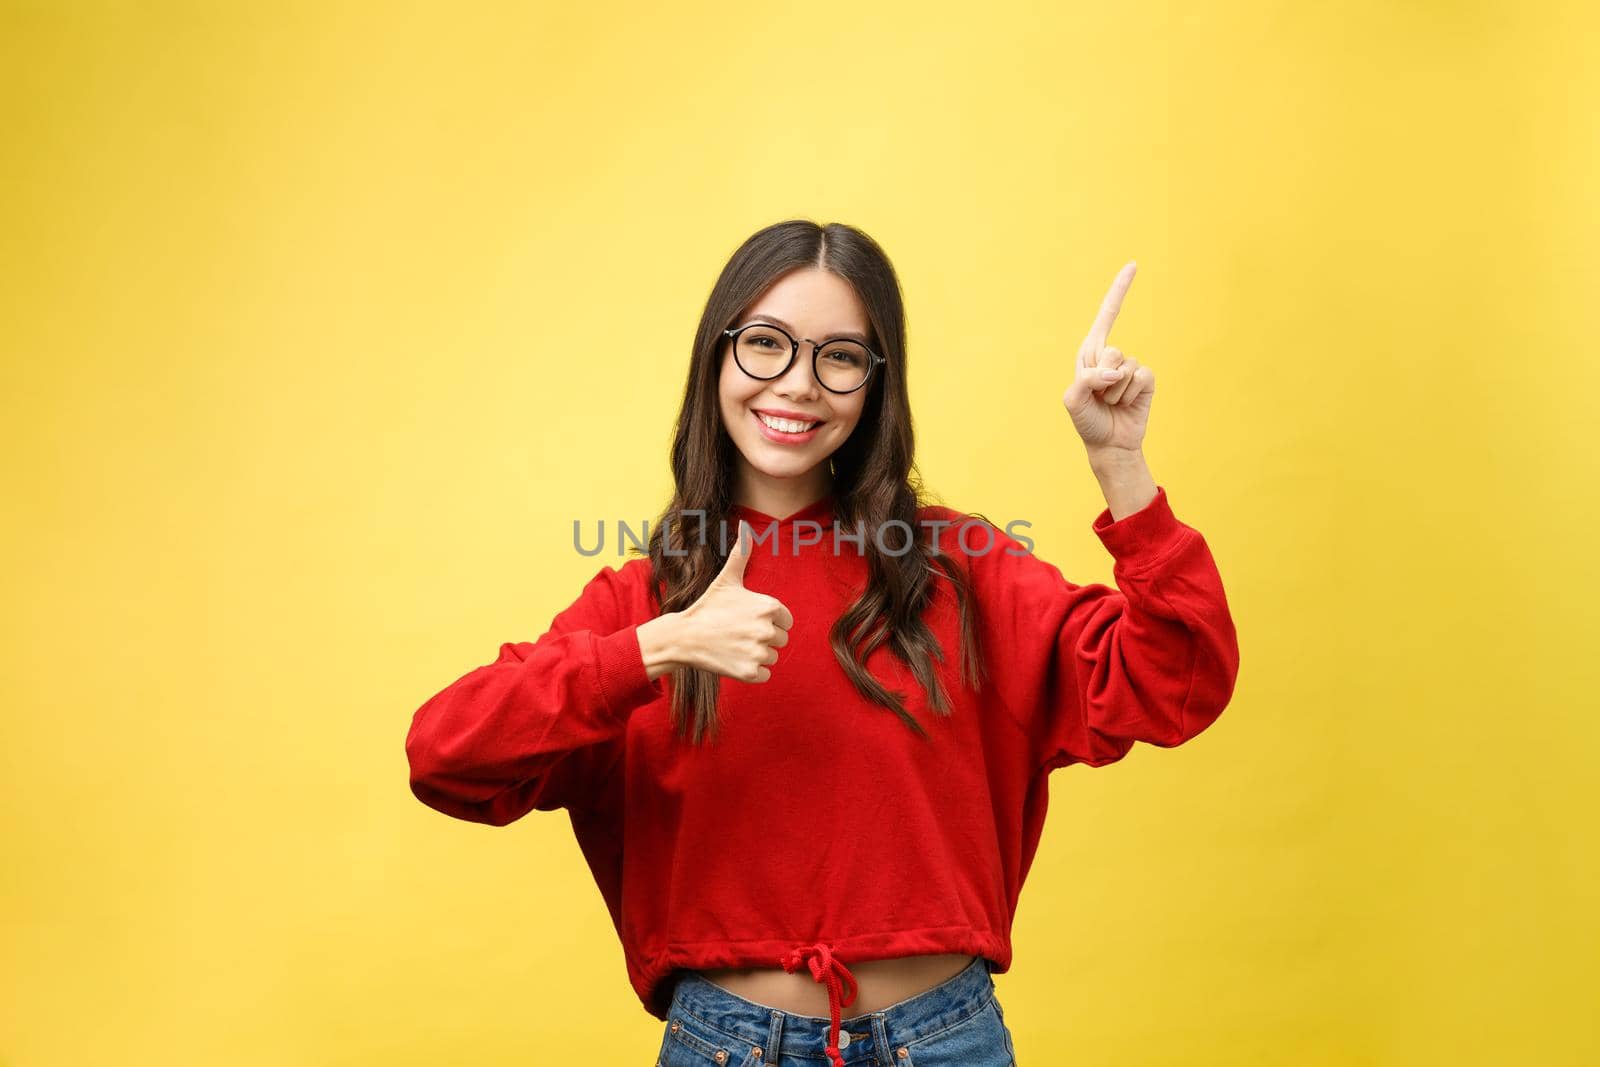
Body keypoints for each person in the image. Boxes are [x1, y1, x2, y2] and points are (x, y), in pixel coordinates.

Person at [404, 219, 1240, 1066]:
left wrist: (1121, 464)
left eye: (840, 356)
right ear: (717, 360)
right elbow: (444, 755)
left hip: (944, 1040)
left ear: (876, 386)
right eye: (766, 343)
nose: (799, 384)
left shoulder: (958, 568)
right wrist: (653, 649)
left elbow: (1178, 681)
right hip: (727, 1046)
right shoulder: (646, 604)